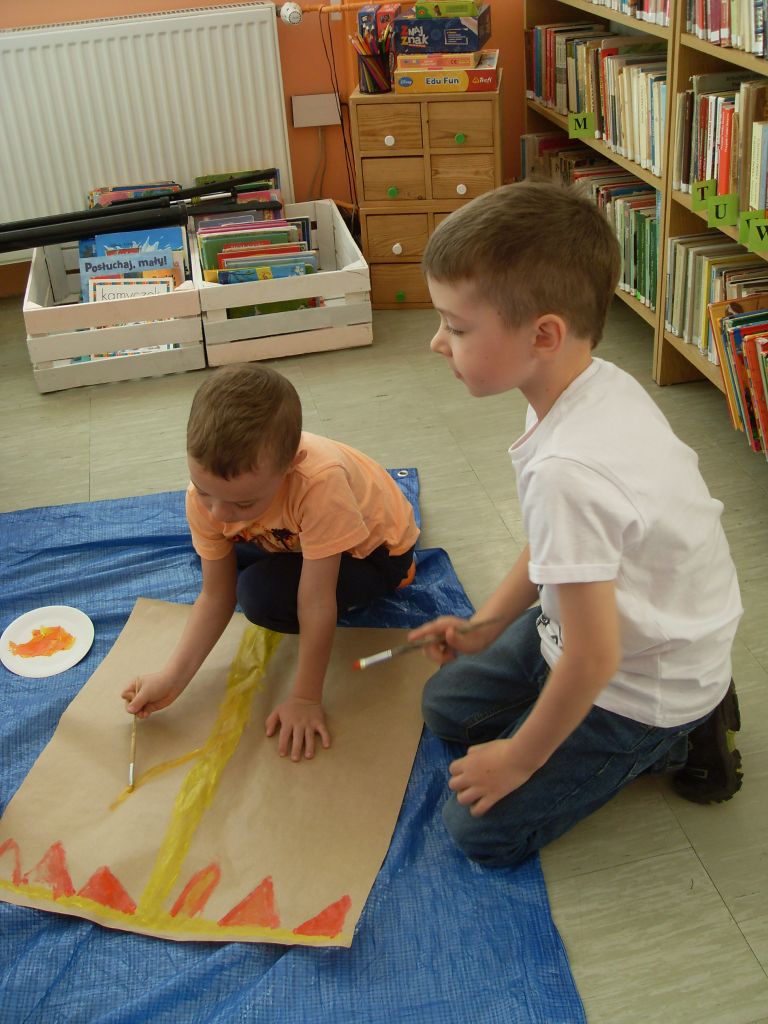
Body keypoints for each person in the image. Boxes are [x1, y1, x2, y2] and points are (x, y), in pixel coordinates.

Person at [409, 180, 743, 869]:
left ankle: (680, 735)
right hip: (597, 634)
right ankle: (631, 712)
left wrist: (517, 760)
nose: (436, 342)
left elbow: (594, 660)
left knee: (478, 831)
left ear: (544, 335)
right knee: (445, 707)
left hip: (641, 684)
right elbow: (552, 549)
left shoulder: (570, 472)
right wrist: (485, 624)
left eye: (457, 327)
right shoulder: (577, 383)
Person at [122, 364, 419, 761]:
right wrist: (172, 678)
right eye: (205, 491)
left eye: (242, 502)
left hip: (376, 552)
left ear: (290, 465)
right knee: (222, 553)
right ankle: (271, 528)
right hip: (296, 529)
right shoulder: (212, 498)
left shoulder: (319, 485)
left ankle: (392, 575)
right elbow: (215, 595)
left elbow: (316, 602)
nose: (219, 512)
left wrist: (306, 698)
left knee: (258, 595)